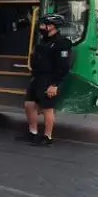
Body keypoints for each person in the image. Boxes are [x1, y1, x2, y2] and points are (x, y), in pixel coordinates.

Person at [21, 13, 73, 146]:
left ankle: (47, 137)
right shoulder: (44, 41)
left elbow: (64, 67)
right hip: (37, 77)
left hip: (49, 79)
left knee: (47, 108)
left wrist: (55, 85)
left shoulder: (62, 43)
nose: (41, 27)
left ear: (52, 26)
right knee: (29, 104)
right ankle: (33, 132)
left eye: (44, 25)